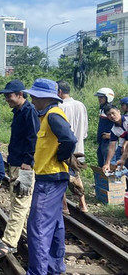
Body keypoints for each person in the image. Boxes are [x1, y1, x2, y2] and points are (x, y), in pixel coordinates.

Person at [24, 78, 76, 275]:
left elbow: (69, 139)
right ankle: (55, 267)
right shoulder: (46, 116)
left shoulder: (53, 116)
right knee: (54, 224)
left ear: (43, 97)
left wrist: (61, 157)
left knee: (37, 226)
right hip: (51, 178)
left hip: (50, 178)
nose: (32, 98)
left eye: (34, 95)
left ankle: (38, 271)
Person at [0, 80, 40, 258]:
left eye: (9, 96)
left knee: (20, 202)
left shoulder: (29, 112)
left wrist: (27, 162)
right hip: (16, 163)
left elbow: (33, 138)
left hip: (23, 166)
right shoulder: (19, 112)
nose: (7, 99)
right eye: (5, 96)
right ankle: (25, 234)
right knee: (18, 201)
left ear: (20, 94)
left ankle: (9, 242)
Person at [57, 80, 88, 213]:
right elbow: (85, 129)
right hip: (79, 147)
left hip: (65, 148)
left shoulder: (59, 107)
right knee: (76, 176)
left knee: (61, 176)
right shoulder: (81, 105)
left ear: (59, 92)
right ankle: (83, 204)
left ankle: (64, 207)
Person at [102, 105, 128, 173]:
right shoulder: (114, 130)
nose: (112, 116)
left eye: (113, 113)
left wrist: (123, 157)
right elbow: (112, 147)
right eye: (109, 115)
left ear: (118, 111)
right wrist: (107, 163)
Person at [95, 87, 115, 167]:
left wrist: (111, 135)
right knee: (101, 165)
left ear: (108, 97)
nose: (99, 99)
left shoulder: (111, 110)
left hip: (108, 143)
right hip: (102, 142)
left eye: (101, 97)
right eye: (98, 97)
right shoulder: (103, 109)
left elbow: (121, 125)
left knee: (108, 166)